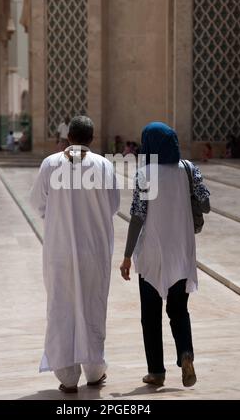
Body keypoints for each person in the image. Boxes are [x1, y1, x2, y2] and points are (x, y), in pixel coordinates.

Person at [30, 115, 120, 394]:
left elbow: (38, 203)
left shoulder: (50, 164)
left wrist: (58, 217)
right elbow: (113, 205)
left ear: (68, 137)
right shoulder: (104, 165)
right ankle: (94, 370)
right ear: (92, 139)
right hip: (94, 251)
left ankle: (67, 377)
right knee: (93, 307)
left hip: (60, 252)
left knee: (61, 308)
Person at [120, 122, 210, 389]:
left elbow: (137, 217)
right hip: (182, 250)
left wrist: (126, 257)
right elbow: (205, 204)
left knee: (150, 314)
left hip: (152, 252)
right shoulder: (188, 168)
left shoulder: (145, 173)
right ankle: (186, 354)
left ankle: (156, 372)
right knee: (179, 310)